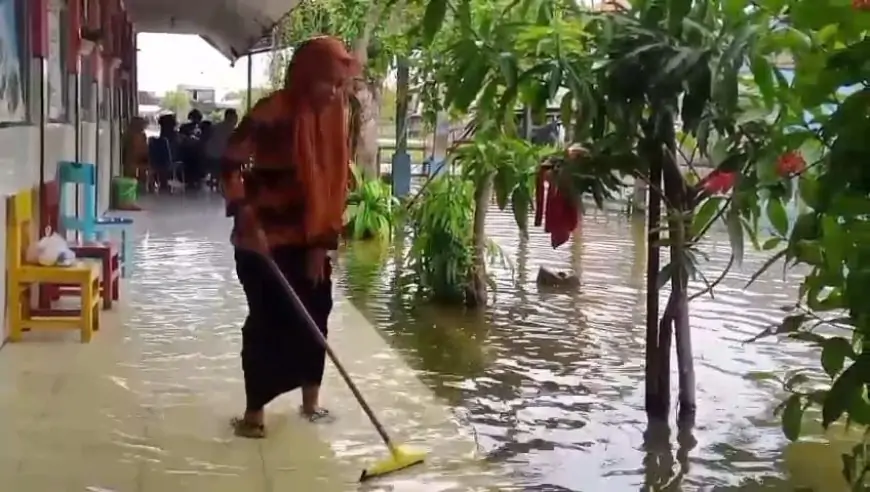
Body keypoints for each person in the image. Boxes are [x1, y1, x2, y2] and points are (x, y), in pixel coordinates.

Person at [221, 35, 360, 438]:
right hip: (261, 241)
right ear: (305, 76)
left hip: (308, 241)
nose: (334, 92)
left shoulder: (335, 117)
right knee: (268, 322)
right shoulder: (272, 111)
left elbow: (334, 187)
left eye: (339, 84)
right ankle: (254, 416)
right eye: (326, 82)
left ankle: (311, 403)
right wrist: (245, 213)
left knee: (316, 313)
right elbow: (230, 164)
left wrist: (319, 244)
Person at [204, 108, 238, 190]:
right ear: (232, 118)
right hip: (223, 158)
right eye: (235, 117)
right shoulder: (232, 131)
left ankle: (215, 179)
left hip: (210, 156)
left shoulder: (215, 127)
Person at [122, 116, 149, 202]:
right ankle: (132, 190)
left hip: (140, 159)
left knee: (142, 173)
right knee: (131, 174)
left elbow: (145, 148)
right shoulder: (128, 135)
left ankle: (141, 189)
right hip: (131, 159)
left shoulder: (142, 135)